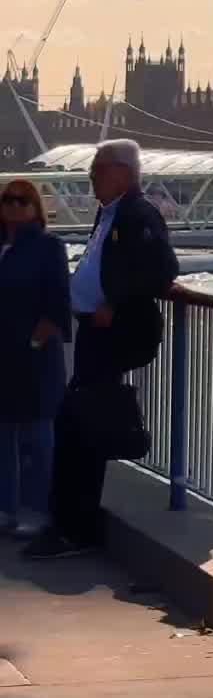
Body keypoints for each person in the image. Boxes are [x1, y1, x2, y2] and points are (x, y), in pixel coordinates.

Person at [26, 139, 178, 559]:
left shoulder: (137, 214)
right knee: (79, 421)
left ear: (122, 173)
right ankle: (72, 523)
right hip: (96, 332)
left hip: (118, 333)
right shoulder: (108, 213)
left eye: (98, 169)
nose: (91, 176)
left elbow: (163, 269)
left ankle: (75, 527)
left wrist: (114, 302)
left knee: (80, 424)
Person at [0, 179, 71, 537]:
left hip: (33, 358)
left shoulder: (48, 246)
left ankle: (38, 510)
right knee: (2, 437)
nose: (13, 206)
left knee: (37, 437)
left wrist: (32, 343)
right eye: (7, 200)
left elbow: (58, 303)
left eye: (22, 201)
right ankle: (5, 508)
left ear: (35, 208)